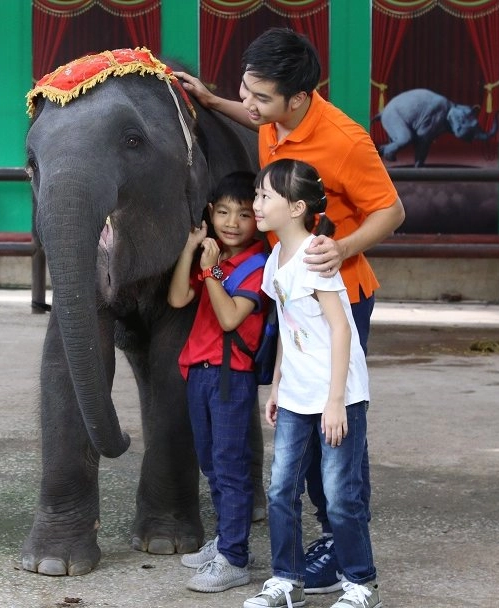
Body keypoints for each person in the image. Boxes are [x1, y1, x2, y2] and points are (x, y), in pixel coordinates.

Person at [175, 27, 404, 594]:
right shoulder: (274, 120)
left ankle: (338, 543)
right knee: (296, 423)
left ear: (298, 99)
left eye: (260, 98)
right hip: (287, 291)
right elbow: (251, 114)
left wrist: (342, 249)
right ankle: (309, 543)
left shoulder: (345, 142)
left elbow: (392, 210)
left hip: (337, 295)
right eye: (245, 92)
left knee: (337, 429)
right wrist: (211, 100)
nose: (250, 107)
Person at [244, 158, 380, 608]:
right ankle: (287, 580)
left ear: (297, 206)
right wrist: (279, 383)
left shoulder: (316, 258)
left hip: (336, 394)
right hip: (298, 394)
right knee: (281, 489)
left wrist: (336, 401)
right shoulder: (276, 260)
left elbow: (342, 330)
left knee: (341, 495)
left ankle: (361, 584)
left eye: (265, 196)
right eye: (258, 194)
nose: (256, 203)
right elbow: (287, 323)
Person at [167, 171, 269, 594]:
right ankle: (226, 541)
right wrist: (191, 251)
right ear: (210, 213)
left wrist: (209, 273)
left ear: (258, 218)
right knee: (211, 463)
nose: (232, 223)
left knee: (230, 467)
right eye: (223, 212)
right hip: (199, 374)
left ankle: (235, 559)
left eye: (244, 214)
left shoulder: (256, 266)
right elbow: (176, 299)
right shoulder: (218, 261)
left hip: (231, 377)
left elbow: (230, 318)